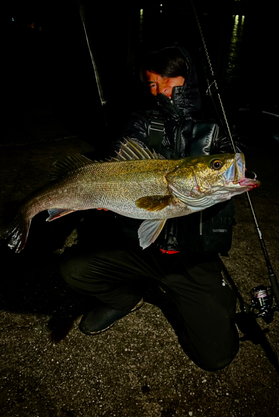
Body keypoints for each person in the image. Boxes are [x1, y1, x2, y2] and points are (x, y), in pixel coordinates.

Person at [60, 43, 239, 371]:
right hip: (140, 250)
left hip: (190, 260)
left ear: (188, 79)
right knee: (74, 269)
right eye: (153, 84)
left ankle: (208, 296)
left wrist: (228, 173)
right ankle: (126, 297)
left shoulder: (215, 127)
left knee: (217, 356)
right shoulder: (142, 121)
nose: (160, 91)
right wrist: (106, 192)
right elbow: (123, 149)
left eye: (167, 82)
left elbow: (230, 168)